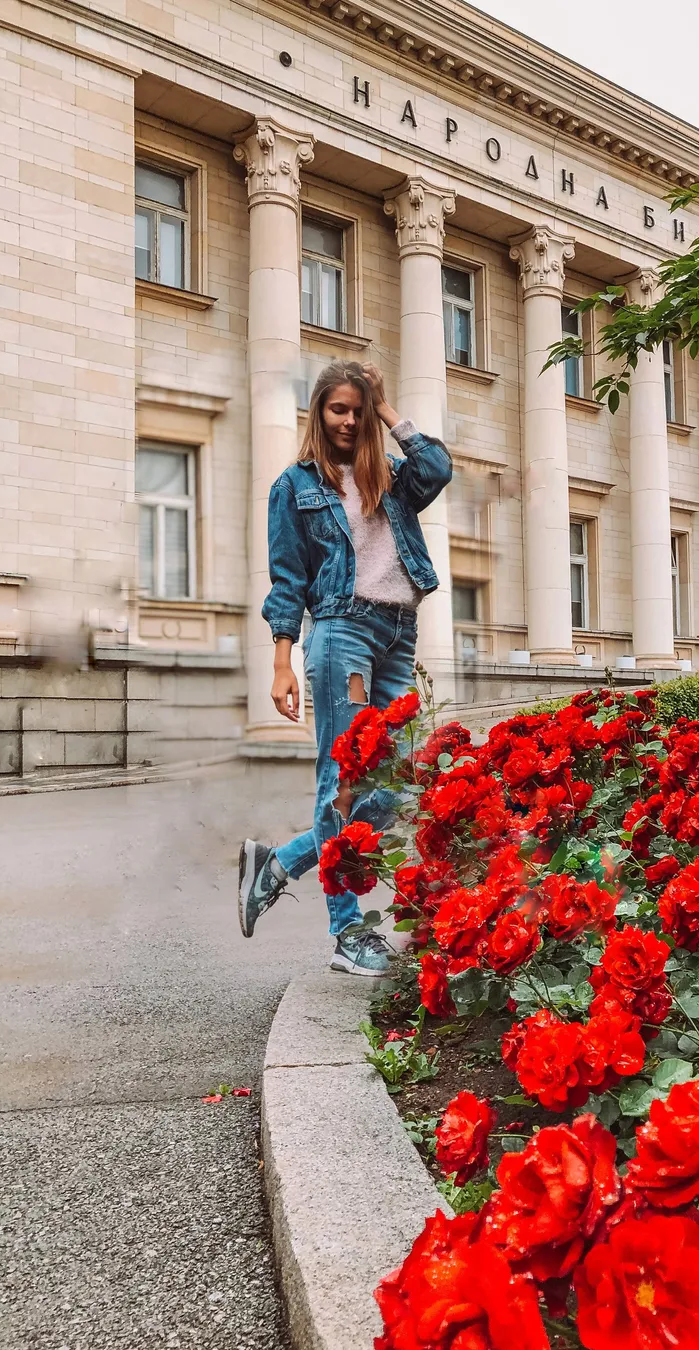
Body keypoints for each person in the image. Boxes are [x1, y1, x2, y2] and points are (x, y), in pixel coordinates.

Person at [237, 360, 451, 974]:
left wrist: (389, 407)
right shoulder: (295, 486)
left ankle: (280, 864)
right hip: (341, 633)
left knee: (401, 778)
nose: (350, 420)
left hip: (397, 635)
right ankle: (346, 935)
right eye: (340, 409)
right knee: (344, 783)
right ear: (319, 413)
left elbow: (437, 468)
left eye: (359, 410)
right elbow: (287, 581)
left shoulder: (387, 476)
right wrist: (282, 662)